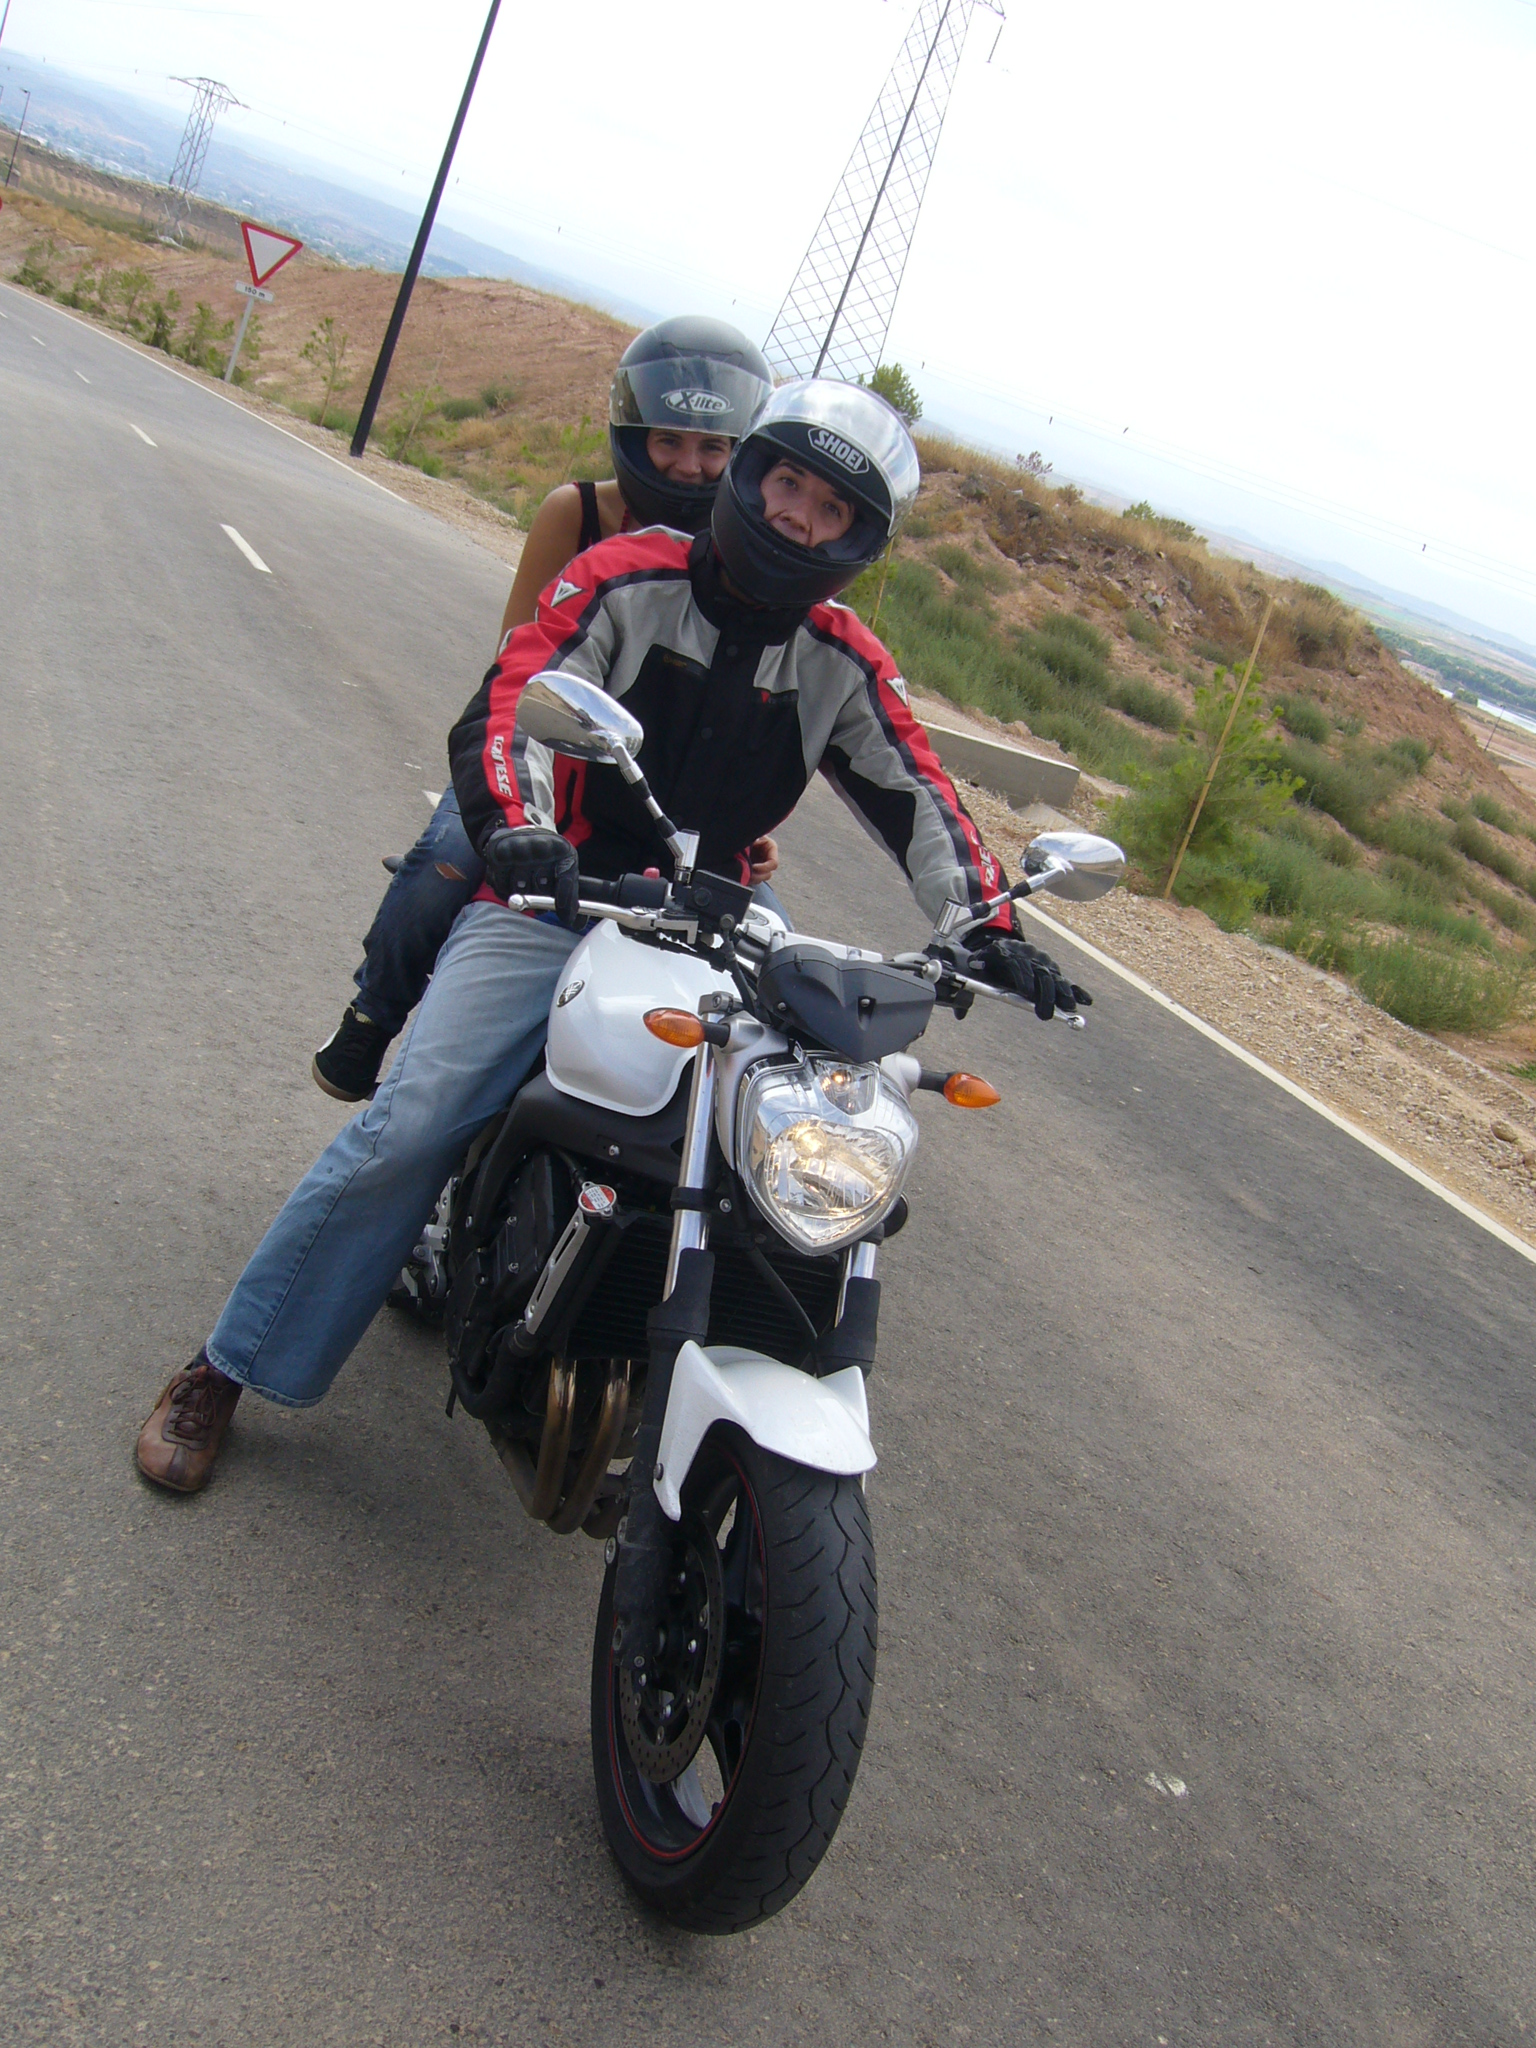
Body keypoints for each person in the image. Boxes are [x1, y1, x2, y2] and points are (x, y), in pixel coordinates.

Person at [135, 379, 1087, 1495]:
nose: (797, 517)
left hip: (720, 913)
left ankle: (674, 1343)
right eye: (786, 482)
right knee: (416, 1121)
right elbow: (517, 698)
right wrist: (521, 829)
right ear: (750, 477)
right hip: (562, 891)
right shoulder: (629, 576)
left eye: (831, 509)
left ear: (857, 539)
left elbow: (924, 796)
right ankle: (228, 1366)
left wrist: (990, 924)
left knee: (798, 1124)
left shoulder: (841, 657)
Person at [311, 315, 778, 1105]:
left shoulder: (753, 558)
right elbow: (517, 663)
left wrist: (745, 817)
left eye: (713, 449)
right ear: (632, 433)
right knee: (446, 863)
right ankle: (372, 1014)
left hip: (666, 795)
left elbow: (740, 707)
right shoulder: (580, 514)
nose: (690, 467)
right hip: (548, 761)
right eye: (668, 442)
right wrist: (533, 781)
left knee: (766, 945)